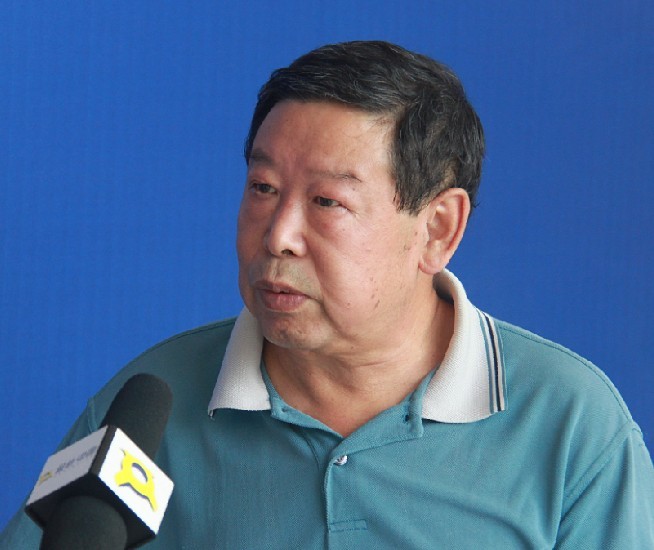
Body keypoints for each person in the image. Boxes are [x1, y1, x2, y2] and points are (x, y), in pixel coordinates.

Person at [2, 40, 653, 549]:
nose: (278, 235)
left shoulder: (571, 425)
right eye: (263, 189)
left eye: (326, 202)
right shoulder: (147, 406)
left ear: (437, 229)